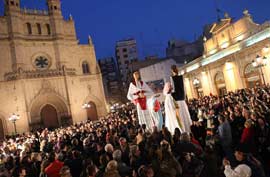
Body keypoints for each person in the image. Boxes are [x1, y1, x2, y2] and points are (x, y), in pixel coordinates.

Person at [170, 65, 192, 133]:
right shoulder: (181, 77)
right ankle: (188, 129)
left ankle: (183, 130)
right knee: (185, 115)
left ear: (172, 71)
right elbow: (184, 89)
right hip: (182, 99)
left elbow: (173, 89)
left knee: (180, 116)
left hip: (176, 99)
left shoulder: (172, 78)